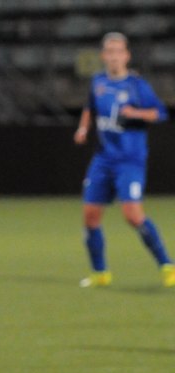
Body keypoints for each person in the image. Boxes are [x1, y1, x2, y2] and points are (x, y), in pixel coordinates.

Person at [74, 32, 174, 288]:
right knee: (90, 217)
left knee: (132, 215)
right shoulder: (98, 82)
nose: (114, 56)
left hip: (130, 160)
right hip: (103, 159)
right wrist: (83, 129)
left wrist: (135, 113)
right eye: (109, 51)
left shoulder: (136, 85)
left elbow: (159, 113)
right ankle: (100, 273)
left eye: (119, 51)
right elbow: (90, 108)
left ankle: (167, 265)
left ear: (126, 55)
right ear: (103, 56)